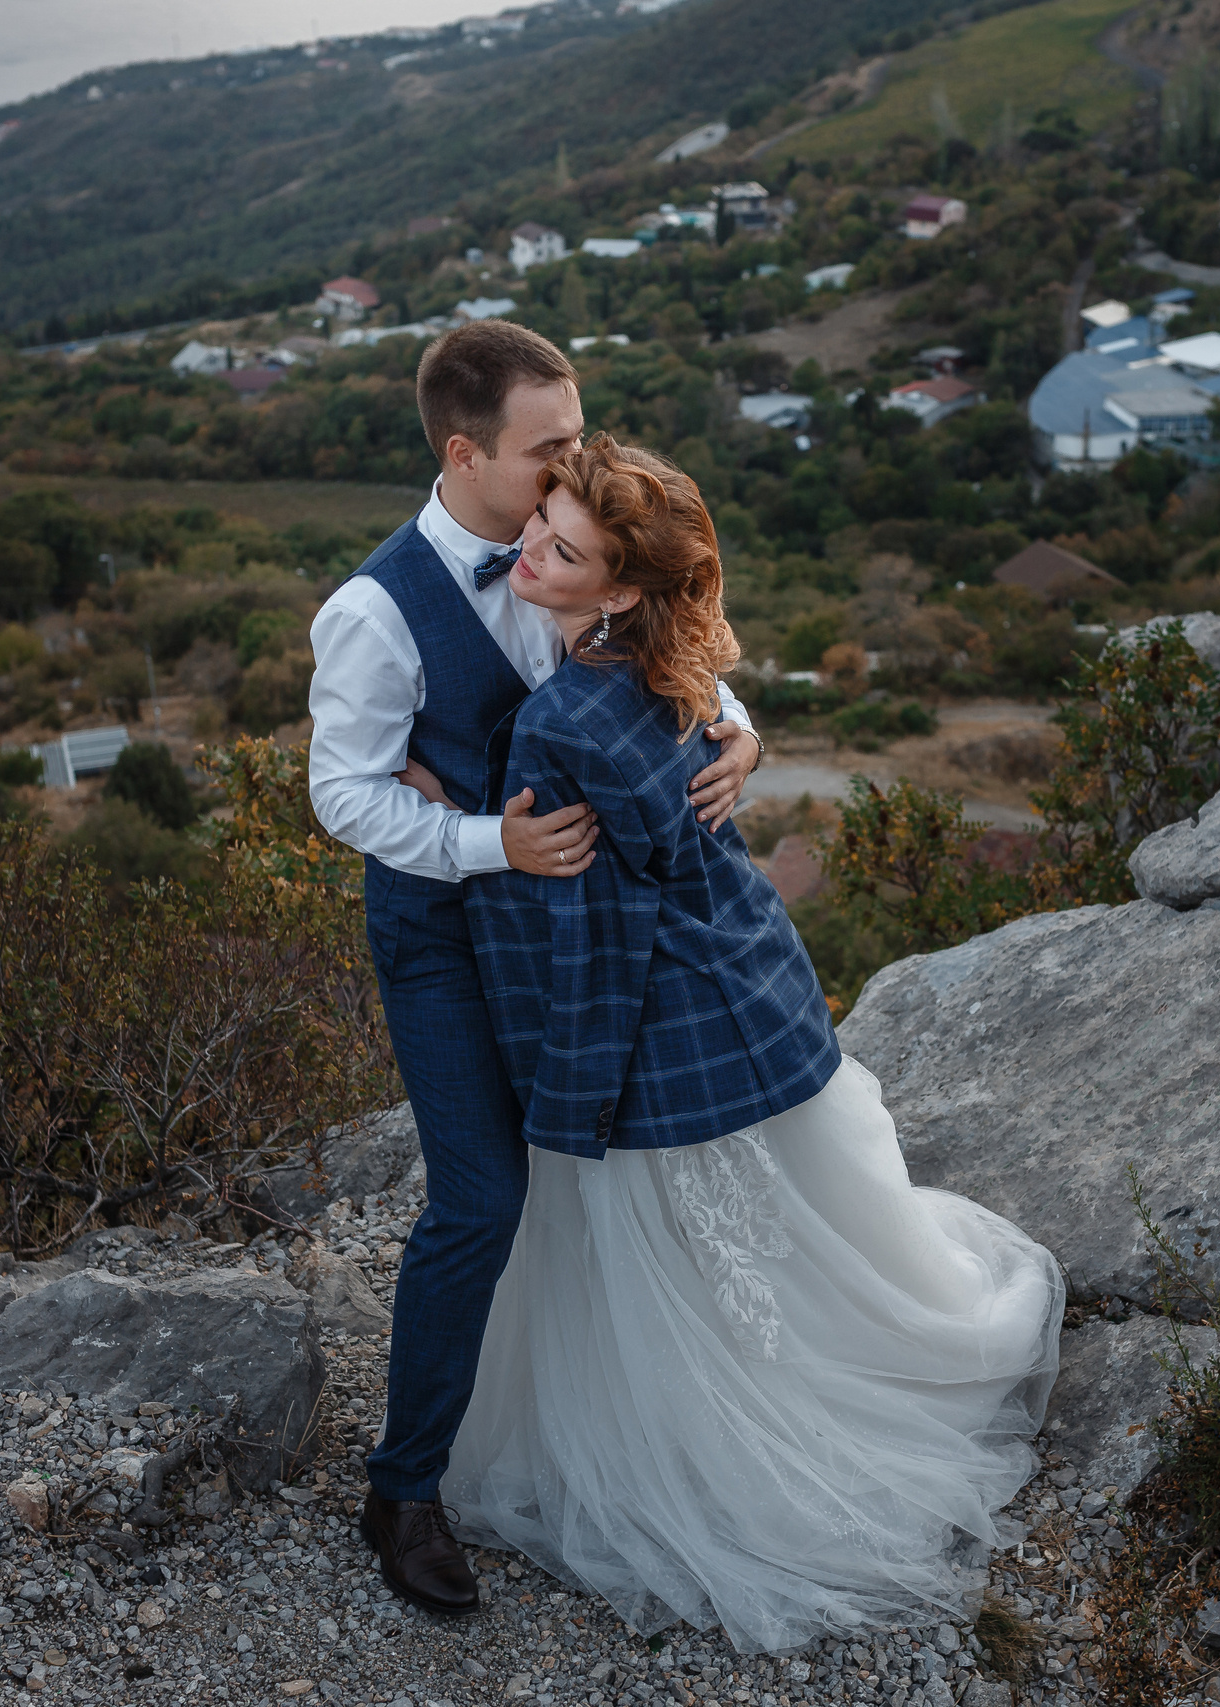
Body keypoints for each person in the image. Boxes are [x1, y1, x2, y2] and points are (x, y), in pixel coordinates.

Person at [422, 436, 1064, 1654]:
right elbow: (696, 732)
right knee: (763, 1236)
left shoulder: (561, 719)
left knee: (670, 1252)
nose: (529, 554)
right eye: (539, 529)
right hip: (748, 970)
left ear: (616, 591)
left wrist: (566, 1089)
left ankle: (722, 1451)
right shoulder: (675, 662)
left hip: (659, 1015)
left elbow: (593, 926)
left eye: (562, 550)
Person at [305, 323, 768, 1617]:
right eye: (551, 444)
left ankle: (594, 1432)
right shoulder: (373, 610)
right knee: (481, 1198)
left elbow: (671, 627)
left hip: (581, 937)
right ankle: (402, 1487)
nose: (580, 457)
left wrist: (739, 732)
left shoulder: (571, 536)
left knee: (604, 1173)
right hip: (448, 938)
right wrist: (479, 838)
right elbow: (340, 792)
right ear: (467, 453)